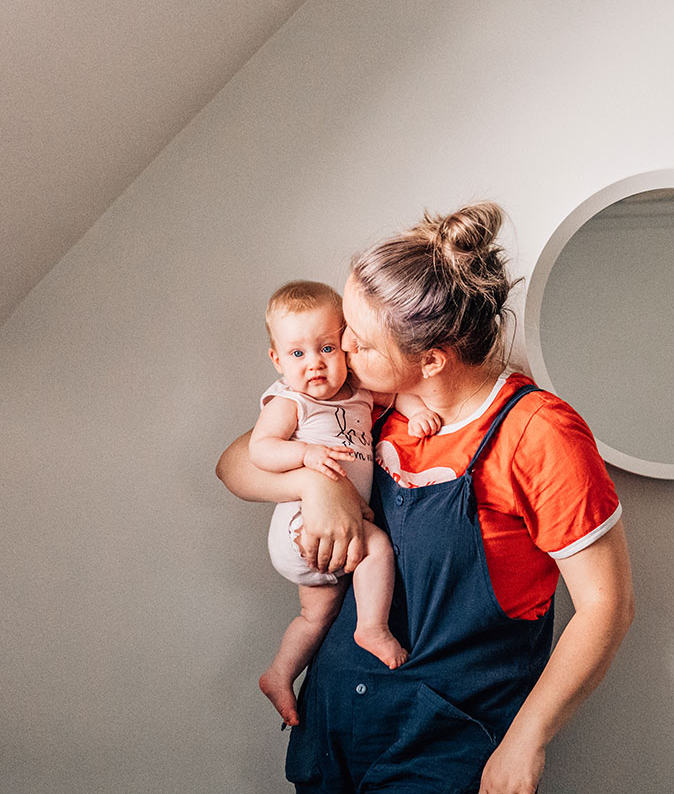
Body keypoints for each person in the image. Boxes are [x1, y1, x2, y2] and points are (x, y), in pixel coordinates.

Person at [217, 202, 634, 794]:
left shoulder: (538, 434)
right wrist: (315, 483)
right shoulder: (372, 404)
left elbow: (606, 607)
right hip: (336, 715)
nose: (338, 357)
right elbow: (234, 464)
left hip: (444, 740)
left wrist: (526, 740)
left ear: (430, 359)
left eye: (354, 344)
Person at [252, 280, 441, 728]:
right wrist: (305, 455)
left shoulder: (358, 391)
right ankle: (371, 628)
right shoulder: (288, 400)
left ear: (347, 347)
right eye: (297, 354)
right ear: (278, 360)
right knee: (377, 548)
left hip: (332, 538)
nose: (314, 363)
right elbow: (261, 450)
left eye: (327, 348)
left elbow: (398, 394)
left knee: (314, 616)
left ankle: (279, 674)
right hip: (302, 522)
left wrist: (414, 413)